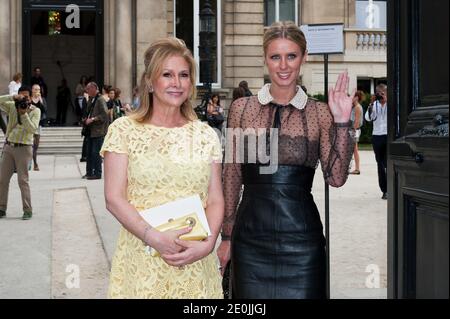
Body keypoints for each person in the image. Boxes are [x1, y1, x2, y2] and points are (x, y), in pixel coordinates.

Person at [217, 21, 355, 299]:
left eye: (291, 56)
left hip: (302, 242)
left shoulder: (319, 113)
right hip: (250, 239)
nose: (283, 65)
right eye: (275, 56)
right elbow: (231, 175)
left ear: (303, 58)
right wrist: (227, 237)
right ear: (265, 59)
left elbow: (336, 178)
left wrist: (341, 123)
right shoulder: (242, 109)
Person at [100, 37, 224, 298]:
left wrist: (209, 244)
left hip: (195, 262)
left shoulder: (205, 135)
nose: (176, 83)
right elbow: (114, 198)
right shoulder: (123, 130)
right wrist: (153, 236)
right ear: (149, 81)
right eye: (167, 74)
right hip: (143, 261)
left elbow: (215, 199)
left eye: (184, 75)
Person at [0, 86, 41, 220]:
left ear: (30, 97)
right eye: (21, 96)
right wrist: (12, 97)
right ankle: (1, 208)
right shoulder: (12, 106)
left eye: (26, 97)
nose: (24, 99)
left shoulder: (35, 111)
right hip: (9, 146)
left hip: (24, 147)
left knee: (22, 180)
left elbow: (32, 129)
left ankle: (27, 210)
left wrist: (24, 114)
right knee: (2, 179)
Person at [365, 83, 388, 200]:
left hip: (388, 136)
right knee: (380, 164)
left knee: (389, 163)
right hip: (377, 136)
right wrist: (371, 104)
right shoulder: (374, 105)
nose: (381, 95)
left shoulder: (391, 104)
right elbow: (368, 118)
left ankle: (392, 188)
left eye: (383, 92)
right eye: (379, 93)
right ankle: (384, 190)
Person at [83, 82, 108, 180]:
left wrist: (93, 119)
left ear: (94, 89)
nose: (87, 91)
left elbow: (104, 115)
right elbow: (89, 112)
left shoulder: (100, 99)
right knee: (89, 153)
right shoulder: (92, 99)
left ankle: (97, 173)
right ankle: (89, 172)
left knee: (96, 153)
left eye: (88, 89)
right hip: (90, 131)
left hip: (98, 131)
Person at [30, 84, 47, 171]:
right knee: (27, 145)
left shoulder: (42, 99)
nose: (37, 91)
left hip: (38, 125)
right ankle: (29, 163)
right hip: (29, 124)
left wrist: (40, 100)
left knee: (35, 146)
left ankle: (35, 164)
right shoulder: (28, 98)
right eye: (36, 89)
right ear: (32, 90)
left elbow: (45, 111)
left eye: (39, 89)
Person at [349, 90, 364, 175]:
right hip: (353, 130)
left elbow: (357, 122)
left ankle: (357, 169)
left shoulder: (358, 107)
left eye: (353, 96)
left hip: (355, 130)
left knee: (354, 150)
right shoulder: (354, 107)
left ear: (357, 98)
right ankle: (355, 168)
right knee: (353, 150)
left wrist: (352, 131)